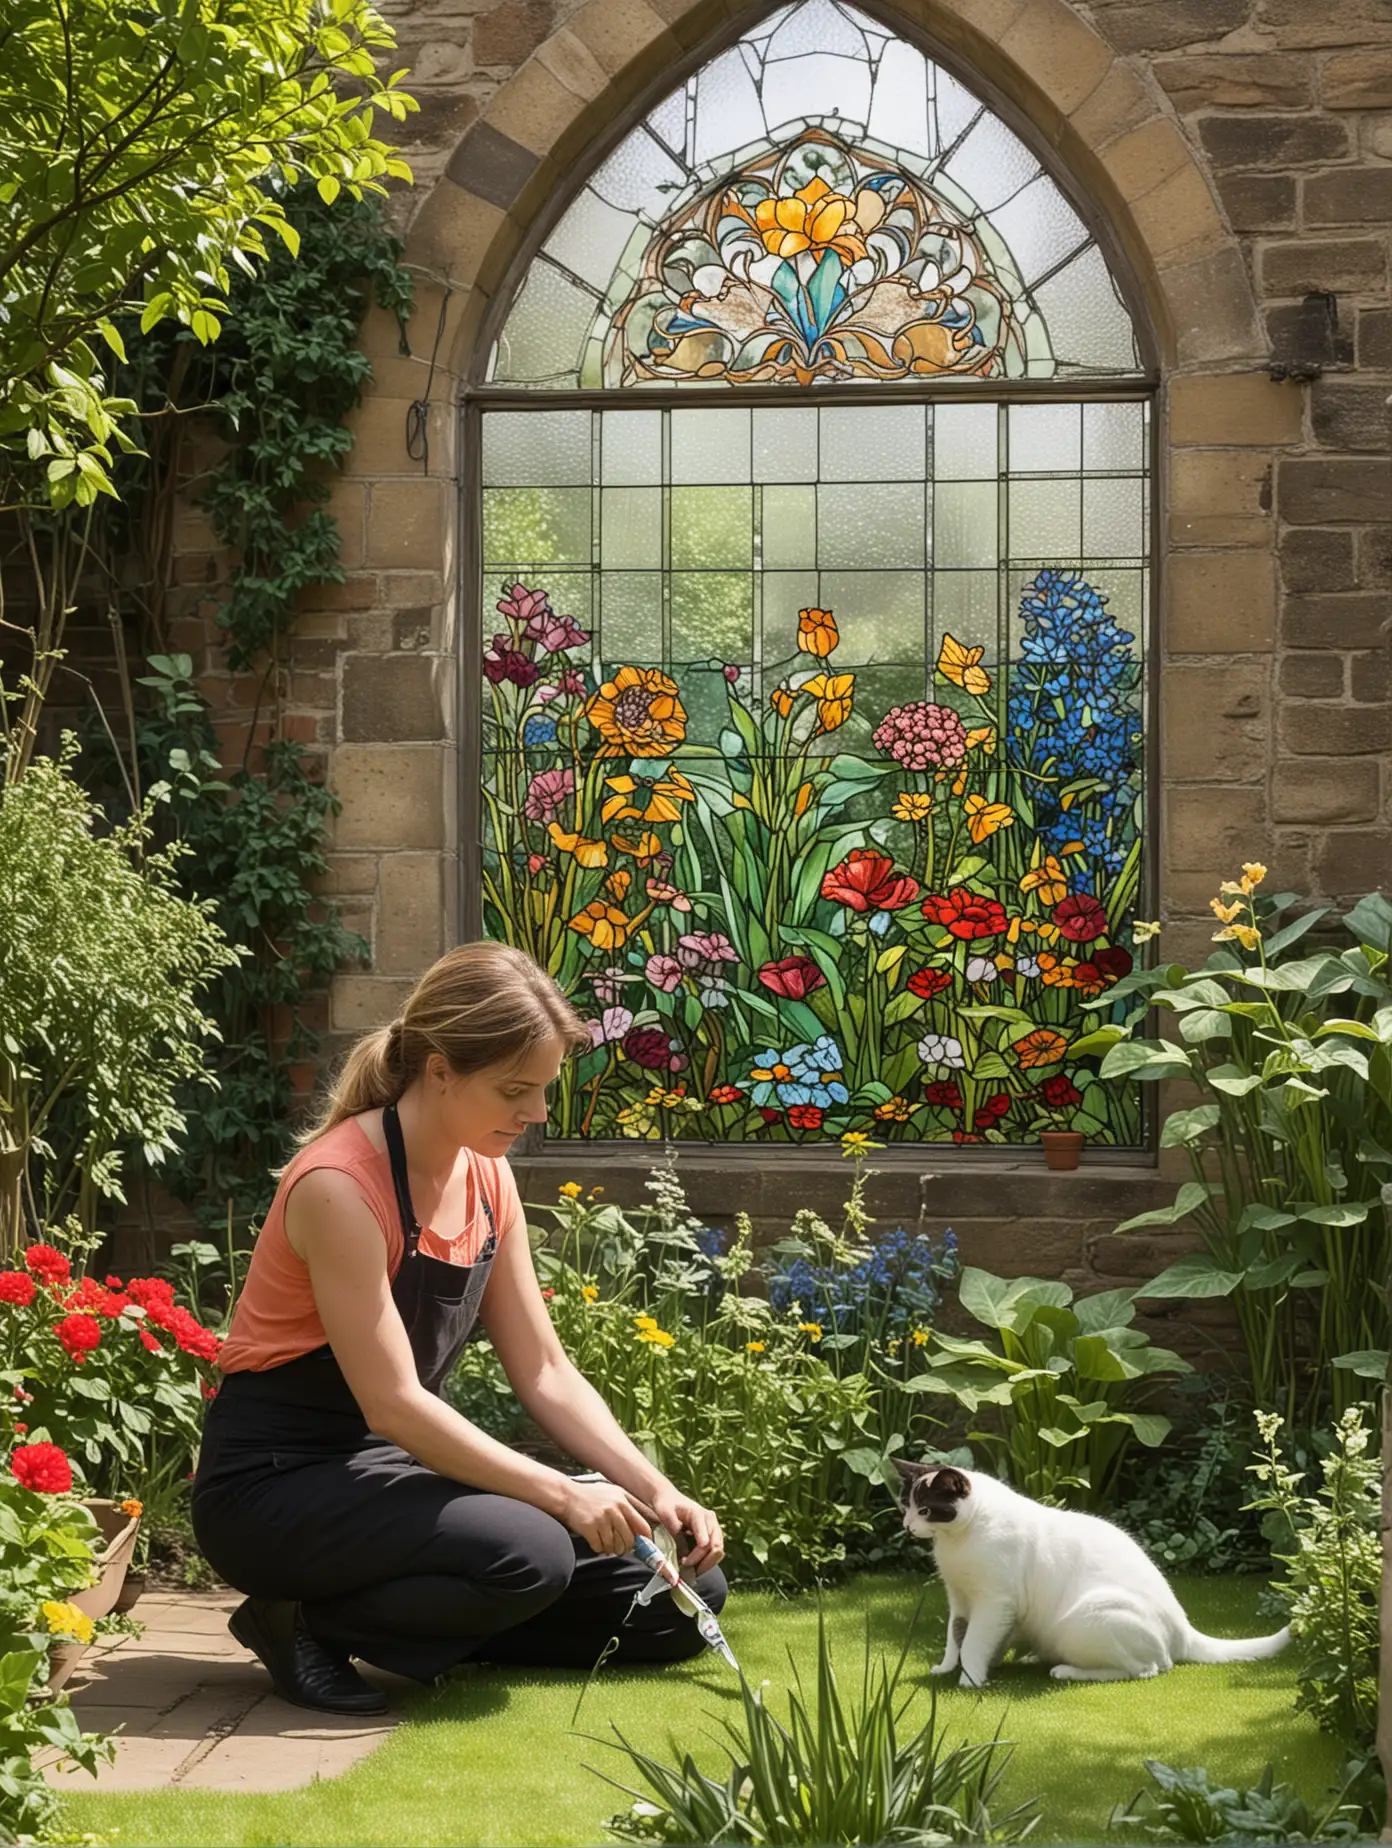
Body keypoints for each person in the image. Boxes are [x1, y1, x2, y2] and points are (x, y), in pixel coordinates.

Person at [191, 942, 727, 1715]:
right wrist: (564, 1497)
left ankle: (439, 1627)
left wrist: (653, 1488)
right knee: (532, 1551)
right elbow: (395, 1405)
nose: (537, 1114)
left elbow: (544, 1369)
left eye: (543, 1090)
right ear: (440, 1069)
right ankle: (301, 1619)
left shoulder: (487, 1177)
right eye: (517, 1090)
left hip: (393, 1472)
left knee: (681, 1593)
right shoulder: (340, 1186)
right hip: (277, 1486)